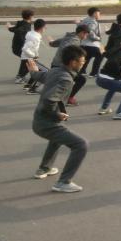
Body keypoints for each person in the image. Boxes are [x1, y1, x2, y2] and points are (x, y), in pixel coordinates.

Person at [32, 44, 88, 193]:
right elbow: (49, 100)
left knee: (57, 138)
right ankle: (63, 182)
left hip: (40, 120)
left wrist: (32, 71)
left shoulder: (55, 71)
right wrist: (57, 114)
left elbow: (40, 76)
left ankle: (44, 168)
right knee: (81, 144)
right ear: (73, 62)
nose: (83, 65)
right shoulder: (65, 79)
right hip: (46, 123)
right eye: (82, 62)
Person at [95, 30, 121, 120]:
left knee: (114, 86)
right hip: (106, 80)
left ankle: (103, 108)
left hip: (100, 78)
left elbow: (107, 55)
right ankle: (120, 112)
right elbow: (113, 62)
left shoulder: (117, 46)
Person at [48, 24, 90, 106]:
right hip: (62, 67)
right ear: (82, 33)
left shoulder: (69, 36)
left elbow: (54, 43)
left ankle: (58, 98)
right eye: (86, 34)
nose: (86, 36)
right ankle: (68, 99)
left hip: (55, 64)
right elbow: (66, 48)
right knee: (81, 80)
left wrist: (51, 42)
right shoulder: (75, 40)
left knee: (64, 82)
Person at [20, 19, 48, 94]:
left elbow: (32, 47)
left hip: (27, 57)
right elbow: (25, 48)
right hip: (28, 58)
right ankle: (33, 89)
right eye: (45, 27)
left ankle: (28, 86)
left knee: (35, 71)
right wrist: (34, 55)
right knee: (44, 71)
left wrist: (36, 54)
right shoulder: (35, 37)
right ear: (41, 28)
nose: (45, 29)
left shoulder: (31, 33)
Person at [7, 9, 35, 83]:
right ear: (30, 17)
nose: (33, 17)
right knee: (28, 60)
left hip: (16, 47)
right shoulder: (25, 26)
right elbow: (19, 32)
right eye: (33, 16)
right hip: (20, 48)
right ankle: (20, 77)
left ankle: (21, 76)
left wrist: (9, 27)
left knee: (27, 60)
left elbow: (13, 29)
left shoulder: (21, 23)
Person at [79, 7, 105, 77]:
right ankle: (94, 73)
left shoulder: (85, 20)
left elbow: (79, 28)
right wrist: (98, 38)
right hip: (90, 44)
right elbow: (90, 32)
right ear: (94, 14)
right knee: (101, 54)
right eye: (99, 13)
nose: (100, 15)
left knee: (88, 56)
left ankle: (82, 71)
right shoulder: (93, 22)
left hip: (83, 43)